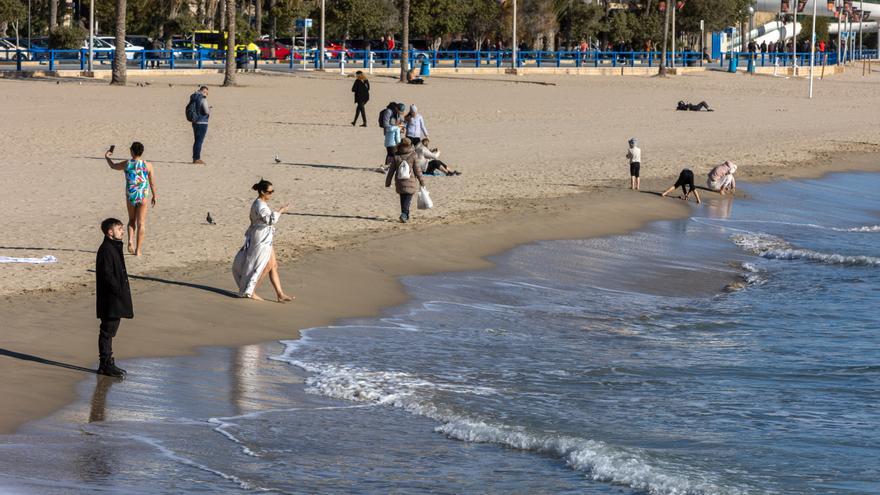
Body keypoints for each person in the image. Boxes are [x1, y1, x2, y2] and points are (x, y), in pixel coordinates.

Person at [232, 179, 294, 302]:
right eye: (269, 192)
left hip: (264, 236)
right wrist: (281, 211)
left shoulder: (260, 203)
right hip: (261, 237)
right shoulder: (260, 205)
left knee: (274, 265)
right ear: (261, 191)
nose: (271, 194)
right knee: (267, 265)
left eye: (272, 191)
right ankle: (250, 291)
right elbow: (270, 220)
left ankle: (280, 294)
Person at [95, 218, 133, 377]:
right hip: (110, 298)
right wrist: (118, 291)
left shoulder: (114, 247)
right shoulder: (106, 249)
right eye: (119, 229)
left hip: (115, 297)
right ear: (110, 232)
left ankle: (107, 363)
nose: (122, 231)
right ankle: (105, 364)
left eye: (122, 228)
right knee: (107, 331)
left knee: (110, 331)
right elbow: (107, 275)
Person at [104, 142, 157, 256]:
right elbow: (152, 183)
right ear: (141, 152)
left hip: (131, 195)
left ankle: (130, 242)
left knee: (131, 220)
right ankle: (138, 250)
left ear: (131, 151)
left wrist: (107, 157)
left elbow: (113, 166)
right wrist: (154, 196)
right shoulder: (148, 165)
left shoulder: (127, 163)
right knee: (141, 223)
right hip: (142, 196)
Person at [385, 138, 426, 223]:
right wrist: (422, 181)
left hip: (399, 181)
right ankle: (404, 214)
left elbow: (391, 171)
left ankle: (405, 215)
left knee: (403, 198)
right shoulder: (413, 155)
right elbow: (417, 170)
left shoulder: (396, 156)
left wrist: (388, 182)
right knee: (408, 199)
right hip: (410, 181)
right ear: (410, 145)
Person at [189, 85, 210, 165]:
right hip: (202, 122)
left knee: (196, 140)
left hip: (195, 122)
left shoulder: (193, 97)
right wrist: (209, 110)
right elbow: (206, 111)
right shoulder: (203, 99)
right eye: (206, 92)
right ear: (203, 91)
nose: (206, 94)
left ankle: (195, 158)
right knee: (199, 141)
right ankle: (197, 158)